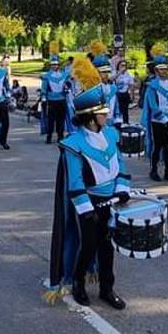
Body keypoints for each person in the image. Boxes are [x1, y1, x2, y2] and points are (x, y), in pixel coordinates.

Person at [44, 55, 131, 308]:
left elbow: (121, 166)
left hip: (111, 200)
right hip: (89, 203)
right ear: (91, 116)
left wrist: (123, 189)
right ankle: (78, 283)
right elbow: (75, 181)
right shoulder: (74, 144)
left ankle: (107, 288)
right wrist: (87, 209)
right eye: (102, 112)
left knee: (107, 247)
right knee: (88, 245)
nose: (107, 114)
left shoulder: (112, 134)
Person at [141, 49, 168, 183]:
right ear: (157, 71)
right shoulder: (152, 86)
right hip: (157, 121)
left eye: (165, 69)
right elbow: (153, 106)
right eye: (161, 69)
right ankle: (153, 171)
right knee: (157, 146)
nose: (164, 71)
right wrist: (165, 120)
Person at [40, 44, 71, 144]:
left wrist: (67, 88)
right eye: (53, 65)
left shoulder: (64, 75)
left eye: (56, 64)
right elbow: (44, 88)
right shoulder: (47, 76)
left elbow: (68, 84)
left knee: (60, 120)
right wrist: (44, 97)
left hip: (61, 100)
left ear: (58, 65)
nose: (54, 66)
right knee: (50, 120)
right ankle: (49, 136)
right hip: (51, 101)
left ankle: (60, 136)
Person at [114, 59, 136, 125]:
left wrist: (132, 95)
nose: (123, 67)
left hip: (125, 94)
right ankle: (117, 123)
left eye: (125, 65)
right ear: (118, 66)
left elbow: (131, 85)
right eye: (122, 65)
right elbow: (111, 80)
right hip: (116, 94)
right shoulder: (115, 73)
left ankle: (126, 123)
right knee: (118, 109)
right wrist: (119, 73)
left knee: (125, 110)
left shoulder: (128, 74)